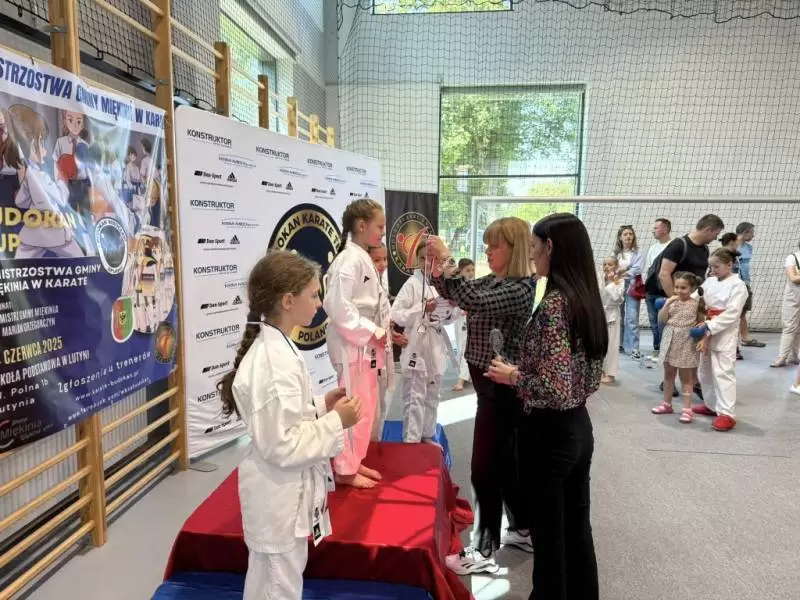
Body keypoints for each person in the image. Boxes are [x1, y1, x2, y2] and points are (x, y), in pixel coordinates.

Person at [217, 250, 362, 600]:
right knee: (276, 587)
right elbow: (282, 444)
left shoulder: (279, 347)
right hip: (277, 498)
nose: (319, 303)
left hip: (283, 495)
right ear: (287, 300)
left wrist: (320, 407)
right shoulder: (273, 361)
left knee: (279, 582)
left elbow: (284, 417)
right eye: (313, 294)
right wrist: (336, 422)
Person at [486, 213, 605, 600]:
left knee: (550, 538)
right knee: (577, 531)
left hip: (550, 434)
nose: (532, 256)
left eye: (535, 248)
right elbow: (581, 378)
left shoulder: (555, 306)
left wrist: (514, 376)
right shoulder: (586, 300)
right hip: (579, 428)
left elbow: (555, 388)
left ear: (550, 247)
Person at [427, 217, 534, 574]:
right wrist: (438, 268)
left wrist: (446, 258)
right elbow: (455, 291)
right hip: (489, 386)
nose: (487, 251)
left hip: (501, 390)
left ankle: (485, 549)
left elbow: (469, 296)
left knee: (485, 467)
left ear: (514, 249)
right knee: (505, 464)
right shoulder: (496, 281)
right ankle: (522, 528)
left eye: (494, 246)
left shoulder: (518, 288)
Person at [323, 198, 391, 488]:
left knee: (366, 406)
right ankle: (344, 469)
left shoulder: (360, 256)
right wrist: (371, 330)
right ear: (362, 226)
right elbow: (337, 306)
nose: (383, 232)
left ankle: (354, 460)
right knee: (354, 406)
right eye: (380, 226)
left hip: (364, 344)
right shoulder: (348, 260)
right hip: (352, 344)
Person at [391, 243, 456, 444]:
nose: (428, 262)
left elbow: (448, 319)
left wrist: (451, 309)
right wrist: (421, 308)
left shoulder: (444, 284)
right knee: (414, 395)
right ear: (418, 260)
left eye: (433, 258)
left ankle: (427, 434)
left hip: (436, 343)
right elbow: (396, 315)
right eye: (424, 258)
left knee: (433, 395)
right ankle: (411, 440)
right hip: (416, 344)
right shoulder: (412, 284)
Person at [692, 249, 748, 432]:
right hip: (707, 329)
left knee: (723, 373)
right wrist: (678, 302)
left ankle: (727, 414)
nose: (713, 270)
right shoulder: (710, 281)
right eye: (711, 267)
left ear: (729, 265)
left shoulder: (738, 285)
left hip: (724, 332)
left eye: (717, 266)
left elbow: (733, 313)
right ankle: (711, 404)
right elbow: (695, 297)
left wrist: (710, 325)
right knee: (705, 371)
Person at [651, 273, 704, 423]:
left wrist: (702, 339)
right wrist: (667, 304)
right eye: (676, 287)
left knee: (686, 379)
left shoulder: (696, 305)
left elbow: (701, 324)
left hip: (687, 343)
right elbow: (661, 320)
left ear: (692, 288)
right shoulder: (671, 302)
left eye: (683, 288)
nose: (679, 291)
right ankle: (666, 404)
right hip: (669, 340)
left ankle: (687, 410)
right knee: (668, 376)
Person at [643, 218, 672, 360]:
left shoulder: (673, 246)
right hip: (651, 291)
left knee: (664, 323)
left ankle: (665, 349)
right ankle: (657, 348)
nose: (652, 231)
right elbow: (649, 270)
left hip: (664, 293)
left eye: (656, 228)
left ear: (665, 229)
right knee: (653, 322)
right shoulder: (652, 248)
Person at [614, 225, 643, 359]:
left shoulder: (637, 253)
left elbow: (637, 269)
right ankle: (619, 344)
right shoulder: (616, 254)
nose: (628, 236)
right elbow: (611, 268)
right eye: (625, 234)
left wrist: (623, 271)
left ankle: (634, 348)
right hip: (617, 286)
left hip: (632, 287)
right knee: (618, 316)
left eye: (630, 234)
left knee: (632, 317)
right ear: (620, 237)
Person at [735, 222, 766, 350]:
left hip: (745, 283)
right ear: (745, 232)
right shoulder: (731, 247)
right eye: (752, 233)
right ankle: (733, 341)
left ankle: (745, 338)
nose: (753, 236)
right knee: (733, 313)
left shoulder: (749, 248)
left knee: (743, 312)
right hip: (734, 284)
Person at [772, 241, 800, 368]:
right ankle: (782, 357)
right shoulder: (792, 257)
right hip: (793, 298)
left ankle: (794, 356)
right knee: (790, 327)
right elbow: (793, 278)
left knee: (798, 328)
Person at [452, 258, 475, 392]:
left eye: (472, 270)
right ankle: (467, 375)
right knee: (461, 347)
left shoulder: (475, 285)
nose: (471, 273)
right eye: (467, 270)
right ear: (460, 272)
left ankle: (461, 379)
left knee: (466, 348)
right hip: (459, 320)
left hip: (470, 321)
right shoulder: (457, 285)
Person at [600, 256, 623, 384]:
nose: (606, 267)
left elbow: (617, 298)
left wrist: (612, 282)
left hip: (612, 314)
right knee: (601, 344)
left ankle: (610, 373)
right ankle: (601, 370)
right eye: (605, 264)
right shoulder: (600, 279)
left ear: (616, 267)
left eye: (610, 264)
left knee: (612, 345)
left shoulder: (619, 281)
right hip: (600, 313)